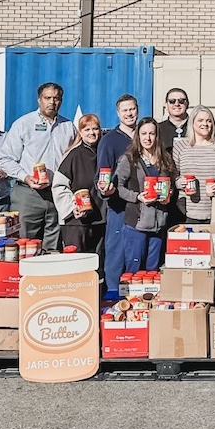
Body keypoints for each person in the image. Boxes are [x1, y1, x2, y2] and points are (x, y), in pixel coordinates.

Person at [0, 83, 76, 251]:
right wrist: (25, 177)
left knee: (53, 247)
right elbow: (4, 159)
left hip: (57, 194)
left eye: (56, 98)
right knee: (25, 246)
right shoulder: (24, 124)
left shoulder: (68, 127)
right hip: (28, 194)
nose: (52, 103)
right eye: (47, 98)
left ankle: (50, 277)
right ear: (39, 100)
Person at [115, 118, 177, 274]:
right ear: (138, 136)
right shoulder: (129, 159)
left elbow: (172, 184)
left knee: (153, 272)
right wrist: (137, 197)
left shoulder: (166, 160)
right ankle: (130, 299)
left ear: (157, 136)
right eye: (143, 133)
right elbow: (118, 187)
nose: (147, 138)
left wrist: (169, 193)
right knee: (134, 272)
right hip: (137, 224)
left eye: (151, 133)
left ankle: (151, 299)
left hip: (159, 224)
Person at [97, 94, 139, 298]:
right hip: (119, 206)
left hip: (143, 207)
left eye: (132, 109)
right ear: (118, 113)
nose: (129, 113)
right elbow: (103, 173)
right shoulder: (110, 141)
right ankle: (113, 295)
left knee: (136, 254)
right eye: (125, 110)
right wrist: (106, 189)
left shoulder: (144, 135)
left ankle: (137, 294)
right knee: (115, 253)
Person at [174, 105, 215, 224]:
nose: (205, 124)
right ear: (192, 123)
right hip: (187, 212)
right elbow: (173, 177)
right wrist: (180, 183)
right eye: (200, 120)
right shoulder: (180, 146)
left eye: (209, 120)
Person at [53, 114, 107, 258]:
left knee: (98, 264)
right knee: (76, 263)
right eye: (87, 129)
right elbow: (59, 186)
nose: (92, 133)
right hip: (77, 222)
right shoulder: (73, 155)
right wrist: (72, 207)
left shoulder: (104, 153)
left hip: (100, 219)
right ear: (80, 133)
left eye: (95, 129)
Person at [157, 87, 190, 152]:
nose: (177, 104)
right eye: (172, 101)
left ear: (187, 104)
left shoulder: (196, 127)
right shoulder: (158, 129)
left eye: (181, 101)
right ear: (166, 105)